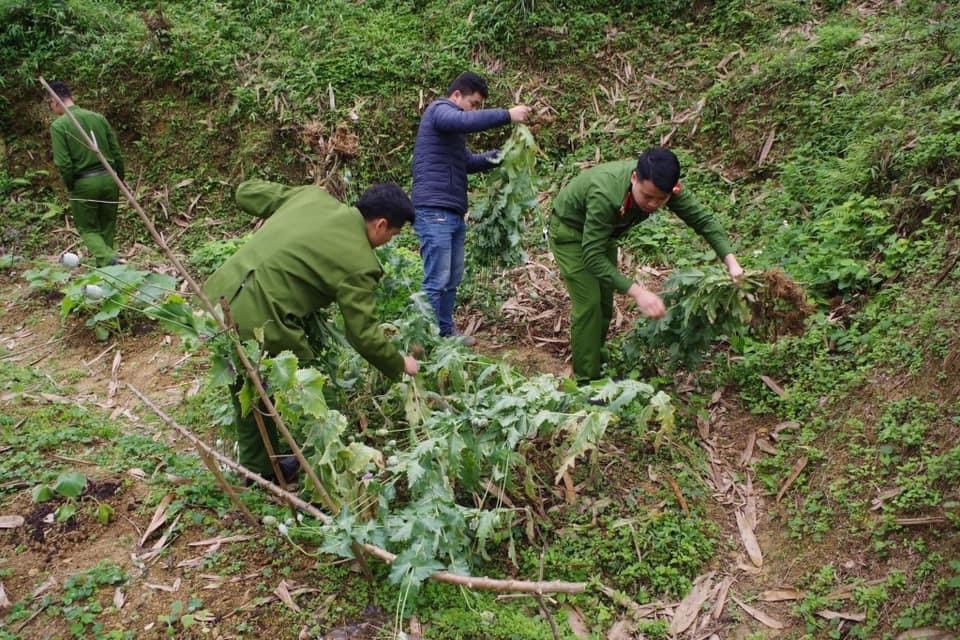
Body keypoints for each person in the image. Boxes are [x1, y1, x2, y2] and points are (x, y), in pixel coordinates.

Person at [203, 179, 420, 483]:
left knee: (248, 387)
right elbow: (362, 334)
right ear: (381, 225)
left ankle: (257, 471)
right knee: (310, 393)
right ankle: (334, 469)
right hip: (261, 322)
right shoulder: (361, 264)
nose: (389, 241)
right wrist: (399, 364)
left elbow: (245, 192)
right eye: (394, 235)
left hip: (215, 300)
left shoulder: (310, 197)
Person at [549, 147, 744, 382]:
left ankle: (596, 364)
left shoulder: (664, 187)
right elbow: (592, 256)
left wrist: (731, 262)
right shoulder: (605, 193)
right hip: (570, 233)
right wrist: (638, 293)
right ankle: (586, 382)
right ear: (634, 178)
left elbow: (702, 220)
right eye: (647, 196)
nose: (653, 204)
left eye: (661, 199)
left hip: (604, 235)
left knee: (604, 303)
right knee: (589, 304)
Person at [411, 71, 531, 344]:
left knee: (451, 278)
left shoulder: (451, 135)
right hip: (434, 208)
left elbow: (469, 162)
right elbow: (463, 120)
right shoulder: (439, 110)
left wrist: (504, 154)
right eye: (474, 103)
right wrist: (507, 115)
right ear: (456, 96)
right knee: (437, 278)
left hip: (451, 210)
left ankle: (445, 332)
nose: (475, 110)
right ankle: (426, 339)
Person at [47, 80, 125, 267]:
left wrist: (71, 185)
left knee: (87, 228)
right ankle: (108, 269)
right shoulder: (97, 118)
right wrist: (119, 179)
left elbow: (64, 163)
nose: (50, 107)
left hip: (84, 183)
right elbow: (116, 152)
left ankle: (107, 260)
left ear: (54, 100)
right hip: (109, 178)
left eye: (49, 103)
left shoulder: (59, 126)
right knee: (107, 225)